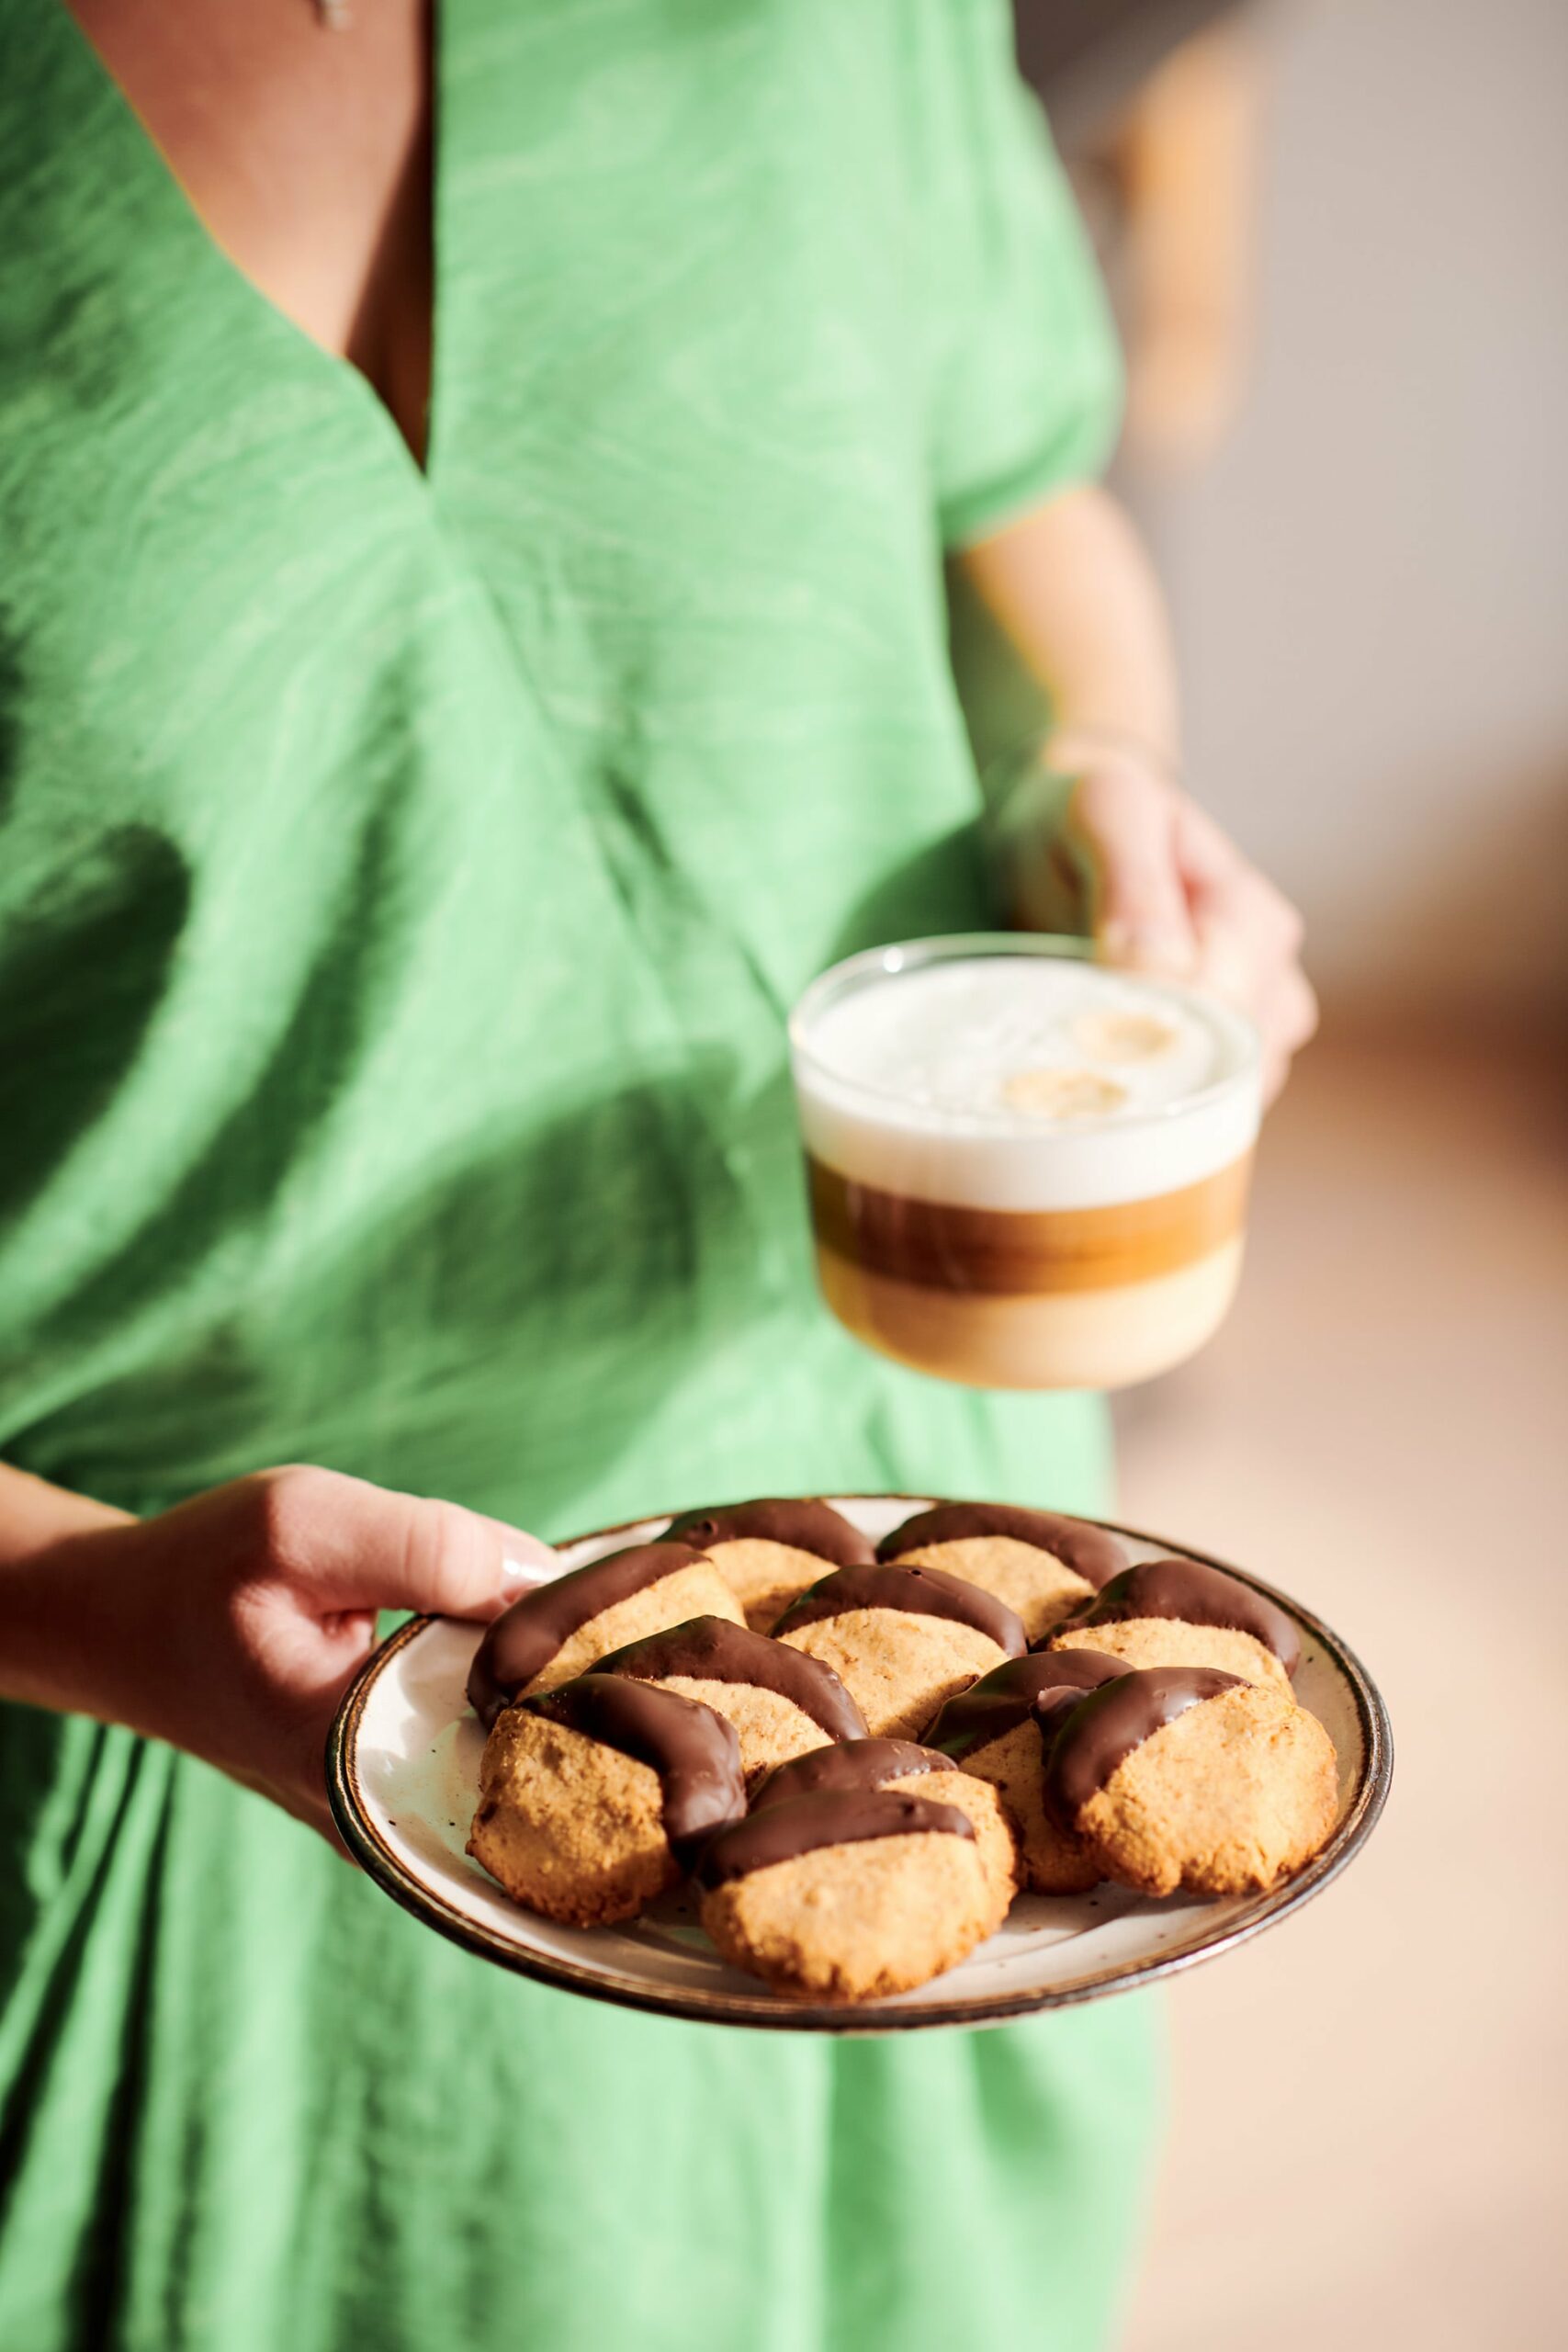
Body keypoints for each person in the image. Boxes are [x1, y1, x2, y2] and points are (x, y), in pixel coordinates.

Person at [0, 4, 1314, 2347]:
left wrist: (1107, 772)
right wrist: (75, 1602)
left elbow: (1009, 481)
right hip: (172, 1743)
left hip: (934, 1634)